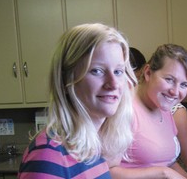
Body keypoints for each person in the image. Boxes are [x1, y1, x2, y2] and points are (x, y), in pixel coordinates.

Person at [18, 23, 137, 178]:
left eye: (118, 71)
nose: (113, 83)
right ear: (67, 79)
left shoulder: (91, 146)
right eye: (97, 71)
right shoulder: (48, 156)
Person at [110, 44, 187, 179]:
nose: (175, 92)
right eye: (169, 79)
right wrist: (163, 173)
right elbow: (107, 172)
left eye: (183, 85)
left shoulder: (163, 107)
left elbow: (168, 163)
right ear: (148, 73)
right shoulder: (123, 110)